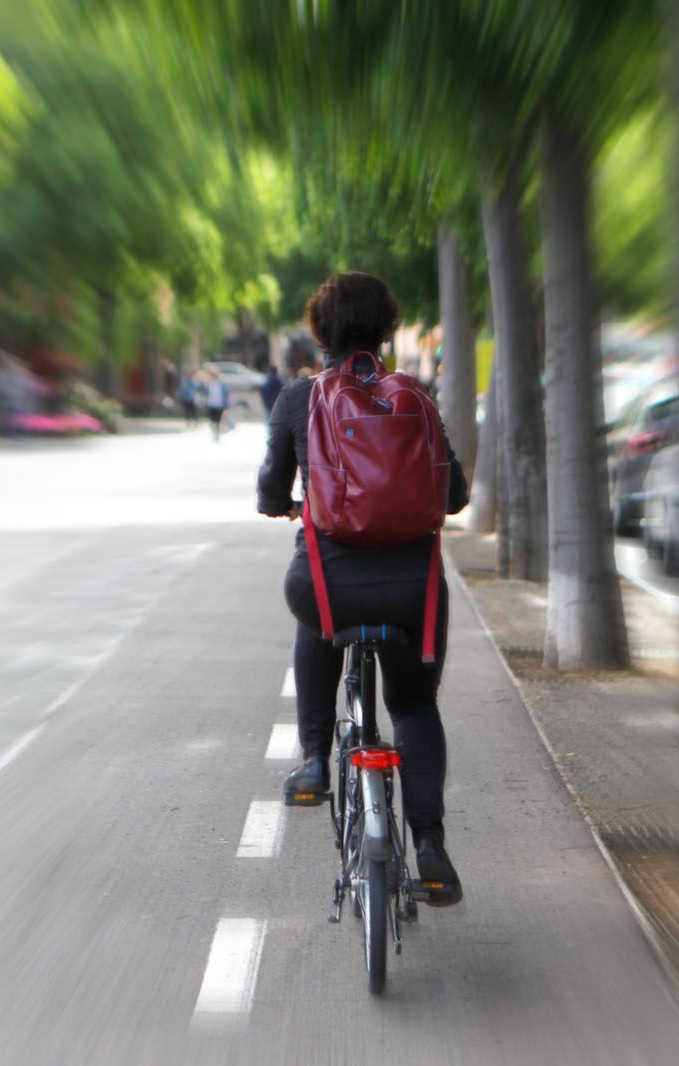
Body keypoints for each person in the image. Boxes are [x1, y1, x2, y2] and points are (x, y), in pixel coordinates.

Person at [256, 271, 470, 906]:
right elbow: (453, 496)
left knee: (316, 614)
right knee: (413, 708)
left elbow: (271, 488)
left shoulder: (299, 399)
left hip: (331, 587)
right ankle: (429, 845)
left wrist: (287, 505)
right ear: (387, 329)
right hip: (414, 593)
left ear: (318, 331)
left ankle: (316, 761)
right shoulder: (415, 397)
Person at [203, 368, 229, 442]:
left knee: (218, 421)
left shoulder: (221, 384)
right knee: (212, 421)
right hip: (211, 404)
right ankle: (214, 433)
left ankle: (217, 434)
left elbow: (225, 395)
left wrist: (226, 406)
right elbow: (205, 393)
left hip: (219, 404)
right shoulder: (209, 384)